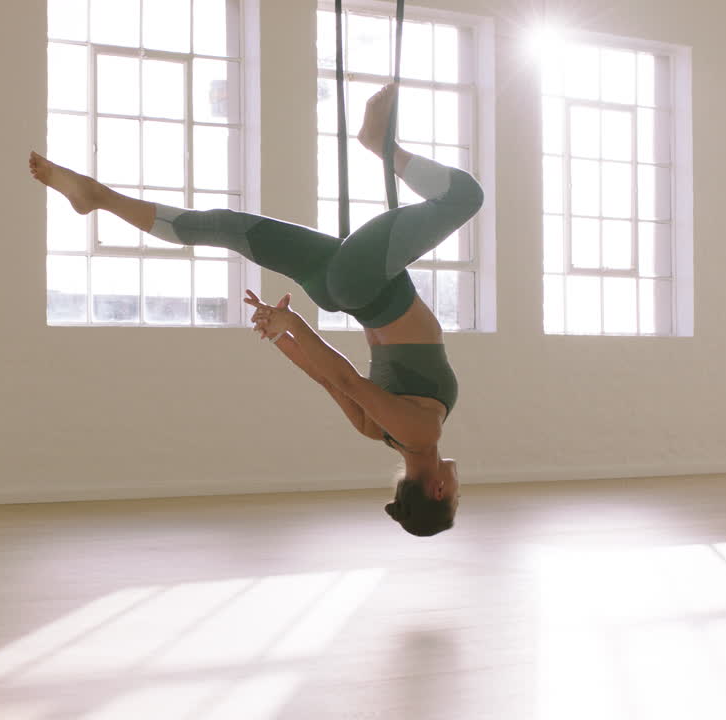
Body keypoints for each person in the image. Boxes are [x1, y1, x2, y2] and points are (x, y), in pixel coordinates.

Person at [30, 84, 484, 536]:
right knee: (226, 227)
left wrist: (293, 324)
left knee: (464, 198)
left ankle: (381, 146)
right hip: (343, 287)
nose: (460, 487)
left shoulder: (423, 435)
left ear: (438, 491)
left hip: (367, 283)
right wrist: (280, 336)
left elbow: (344, 377)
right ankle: (99, 198)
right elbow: (325, 377)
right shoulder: (377, 432)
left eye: (457, 496)